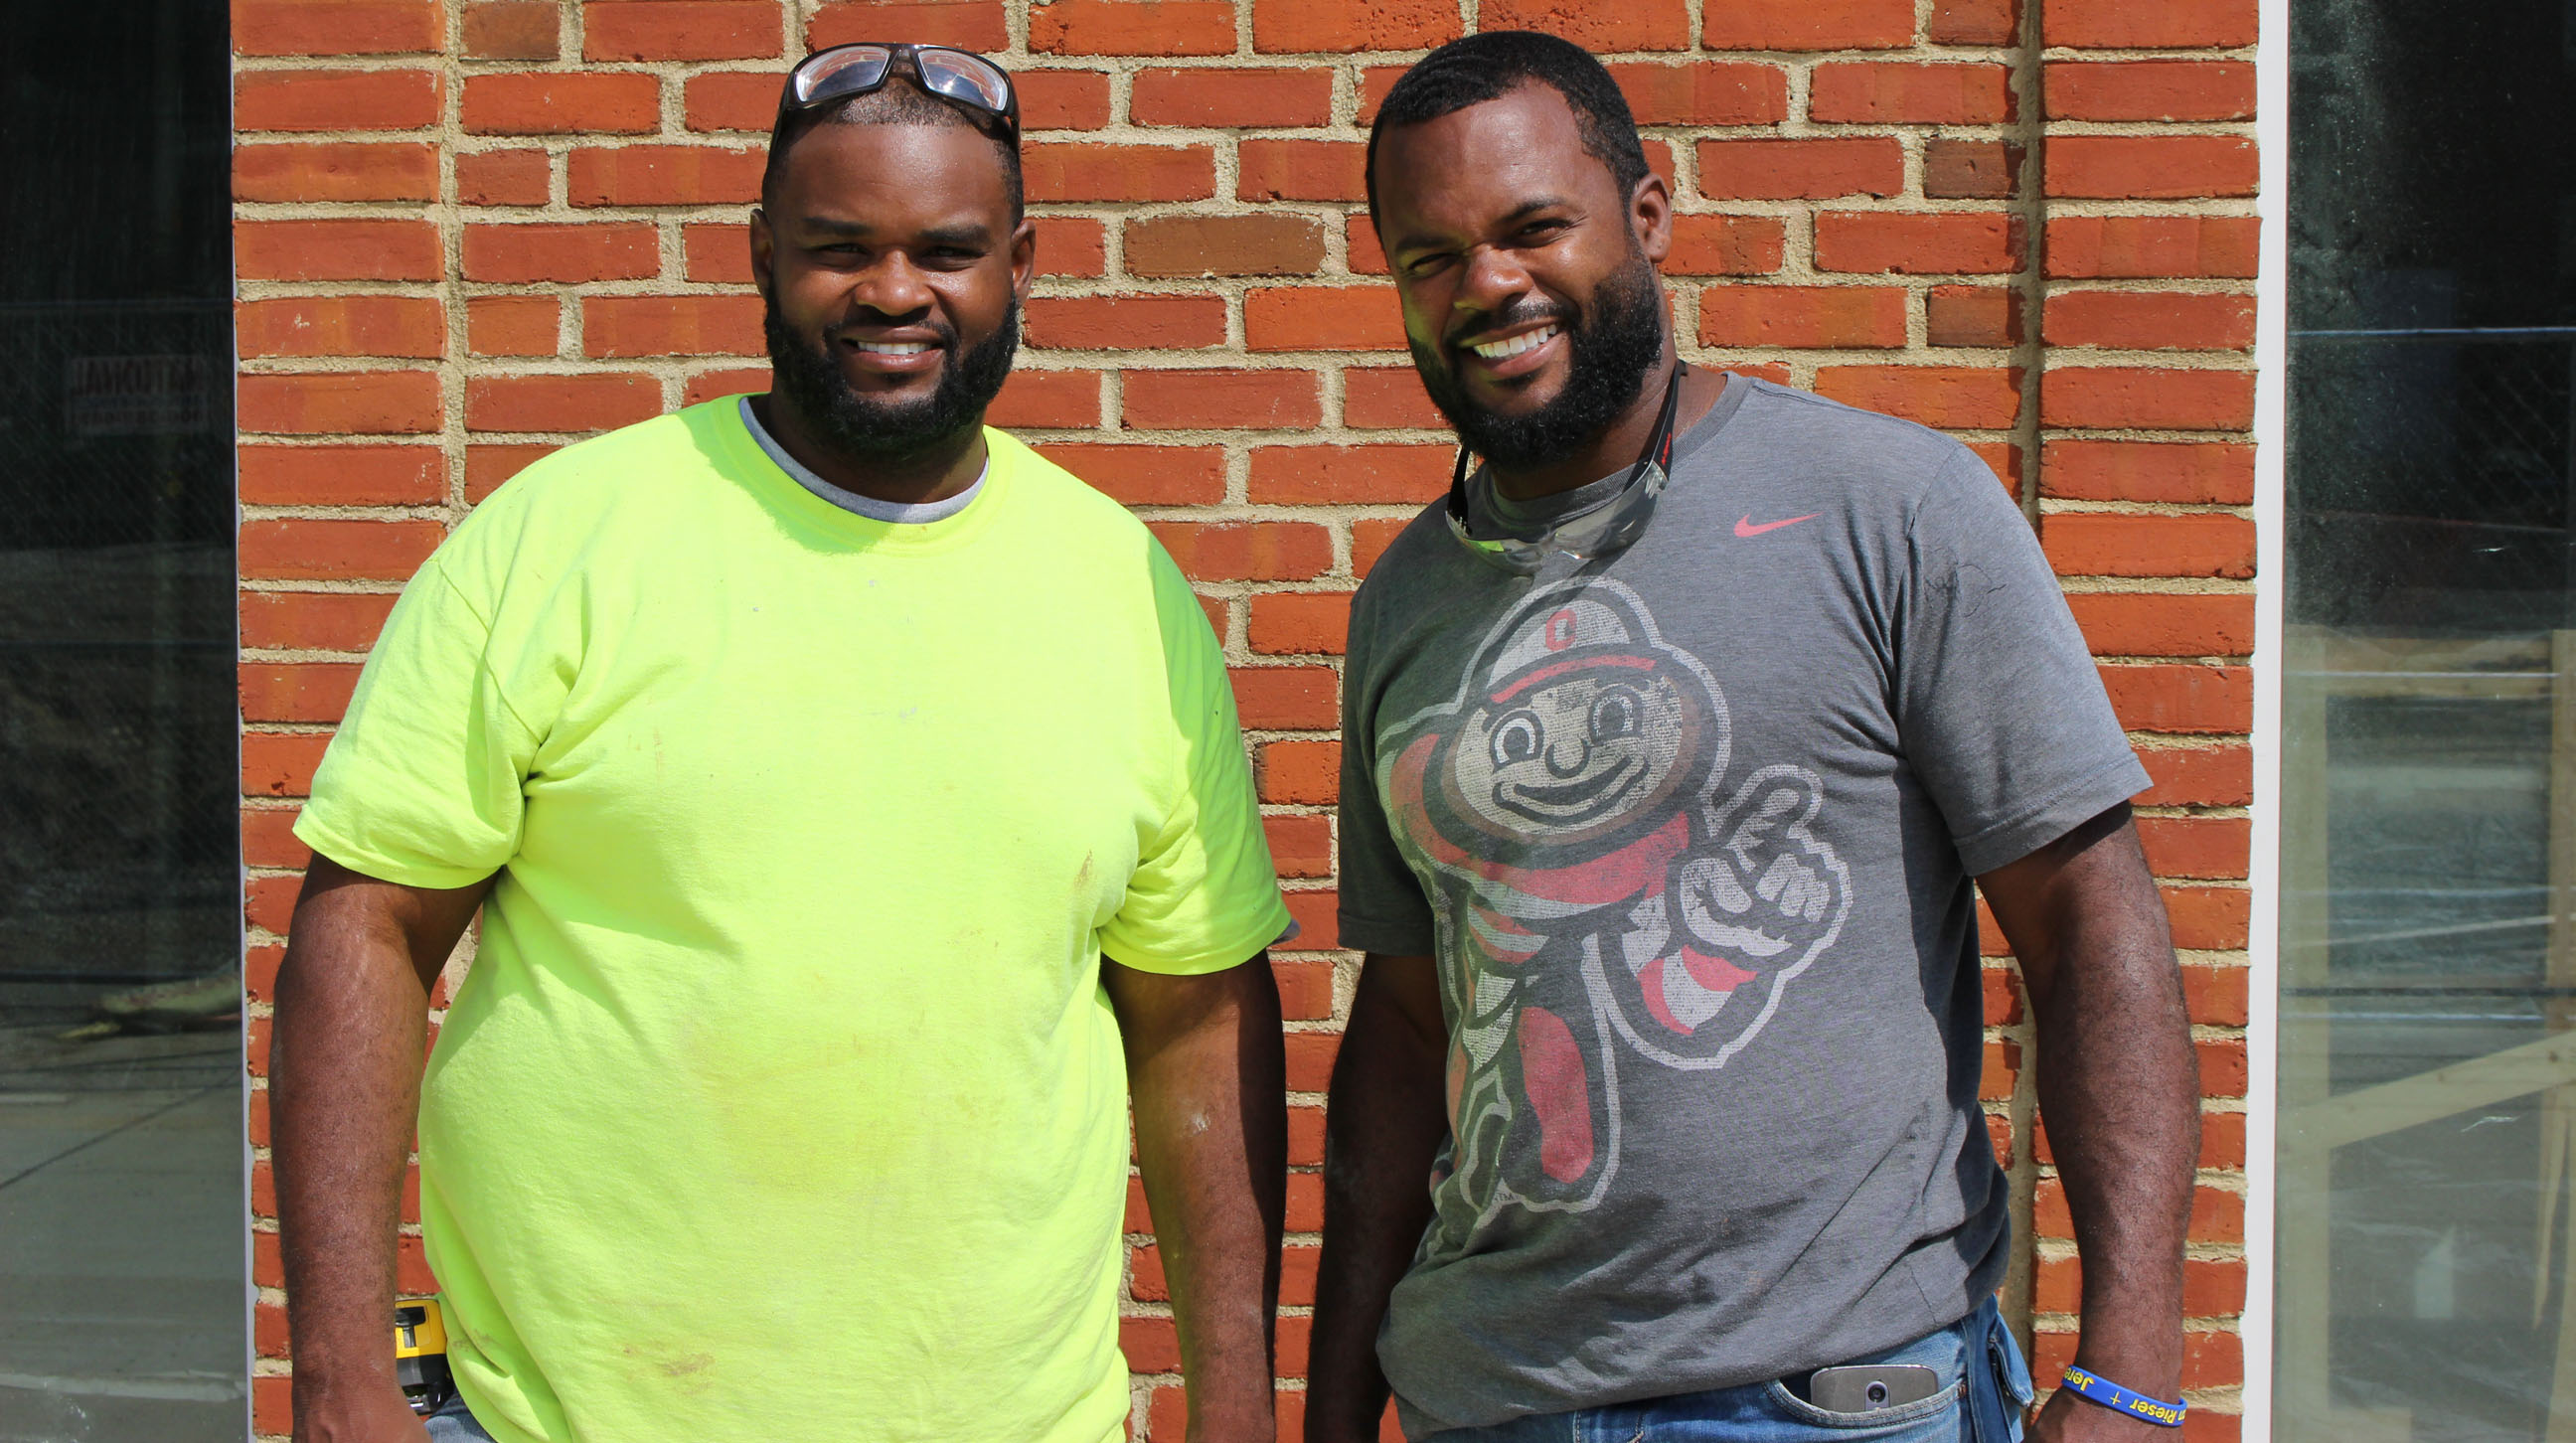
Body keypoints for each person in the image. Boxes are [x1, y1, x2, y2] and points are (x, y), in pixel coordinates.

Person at [270, 44, 1292, 1443]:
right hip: (560, 1418)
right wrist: (339, 1372)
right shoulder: (564, 539)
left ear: (1021, 267)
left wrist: (1235, 1405)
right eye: (839, 249)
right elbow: (367, 928)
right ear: (761, 254)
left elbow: (1196, 1017)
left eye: (947, 251)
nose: (893, 292)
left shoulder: (1125, 590)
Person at [1306, 31, 2200, 1443]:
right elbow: (1410, 1029)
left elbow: (2090, 924)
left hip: (1835, 1402)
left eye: (1536, 228)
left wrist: (2130, 1370)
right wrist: (1330, 1412)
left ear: (1647, 217)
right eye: (1433, 256)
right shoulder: (1405, 600)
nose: (1489, 286)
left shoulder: (1891, 510)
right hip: (1491, 1401)